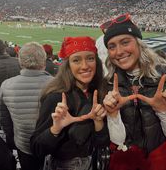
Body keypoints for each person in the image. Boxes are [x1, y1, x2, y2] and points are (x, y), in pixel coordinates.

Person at [100, 13, 166, 170]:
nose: (118, 52)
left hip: (157, 156)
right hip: (124, 156)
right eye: (112, 46)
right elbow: (118, 140)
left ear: (139, 44)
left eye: (125, 42)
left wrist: (162, 111)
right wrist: (113, 114)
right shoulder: (109, 82)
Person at [30, 36, 110, 170]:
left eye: (90, 58)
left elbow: (101, 143)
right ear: (68, 65)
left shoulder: (99, 92)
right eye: (76, 60)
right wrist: (55, 129)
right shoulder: (56, 97)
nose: (85, 66)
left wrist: (98, 123)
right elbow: (37, 148)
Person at [0, 42, 53, 170]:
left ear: (20, 62)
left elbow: (4, 120)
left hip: (23, 144)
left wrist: (11, 140)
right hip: (50, 145)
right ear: (43, 61)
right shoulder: (56, 83)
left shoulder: (7, 85)